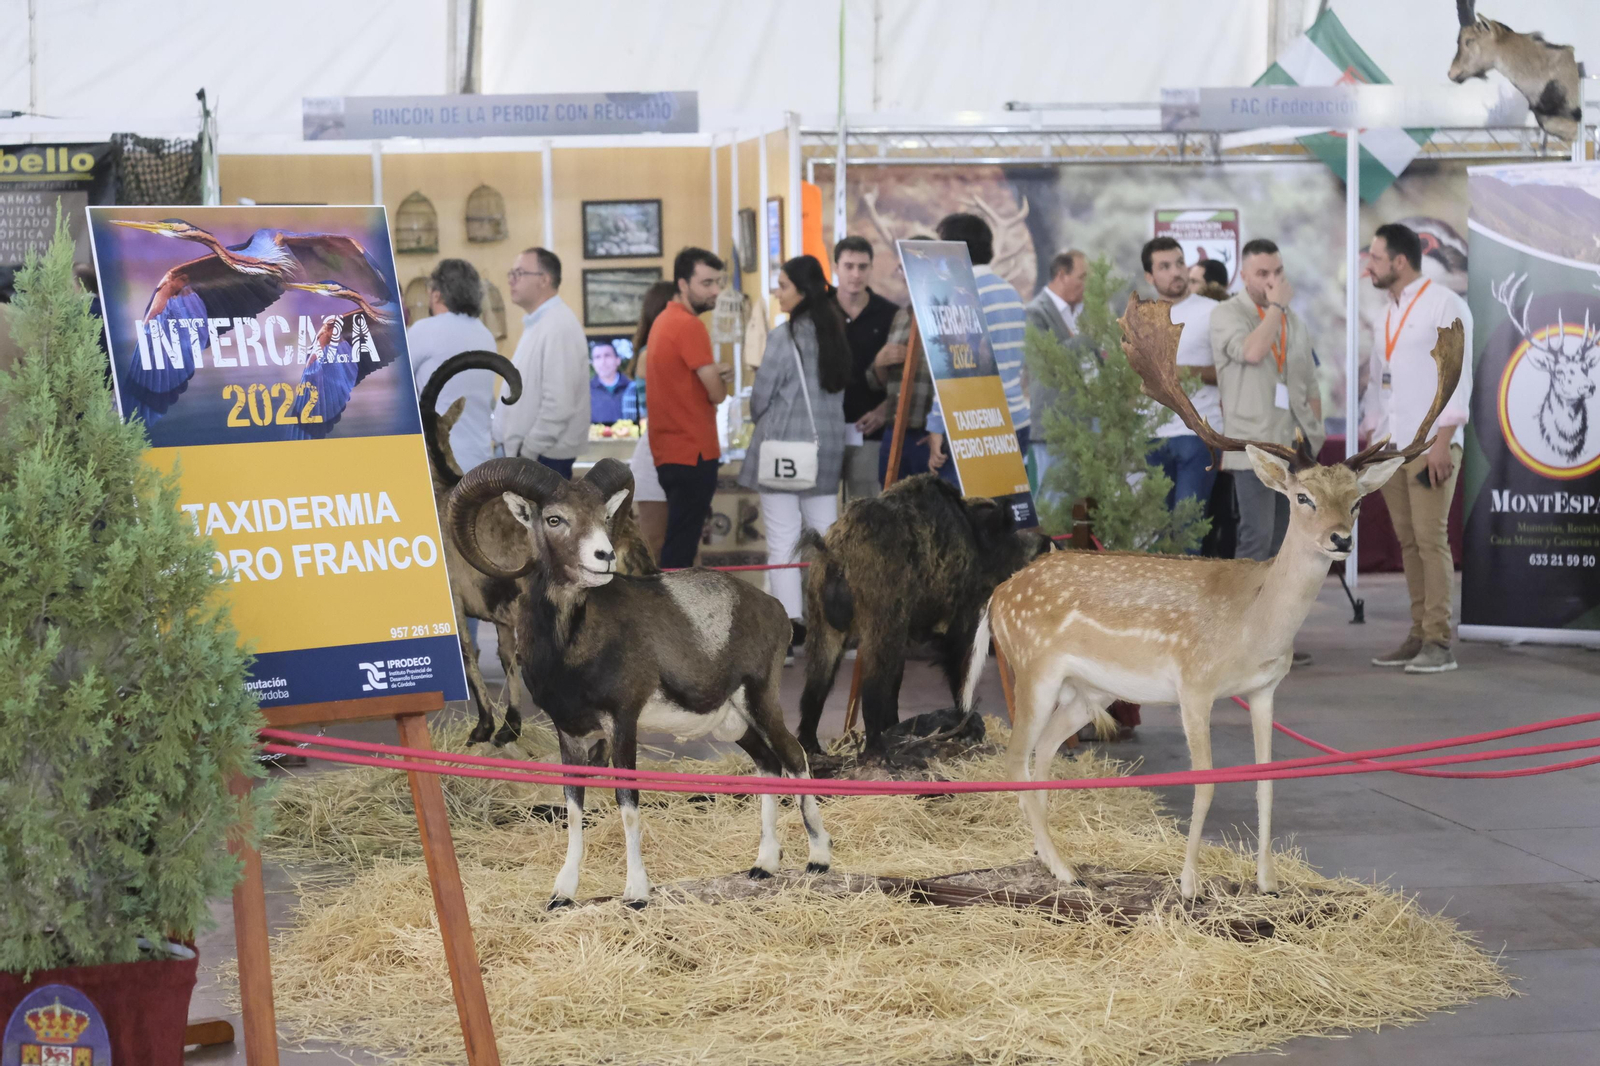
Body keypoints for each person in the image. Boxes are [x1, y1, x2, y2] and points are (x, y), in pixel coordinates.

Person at [1363, 222, 1474, 675]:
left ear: (1400, 262)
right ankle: (1417, 633)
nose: (1368, 265)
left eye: (1375, 258)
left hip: (1431, 444)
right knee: (1408, 542)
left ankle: (1439, 642)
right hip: (1392, 446)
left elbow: (1457, 376)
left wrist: (1444, 441)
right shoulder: (1386, 311)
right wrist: (1373, 438)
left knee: (1431, 542)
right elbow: (1377, 381)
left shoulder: (1445, 304)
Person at [738, 255, 849, 654]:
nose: (776, 292)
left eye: (782, 285)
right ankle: (837, 624)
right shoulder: (835, 330)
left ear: (801, 291)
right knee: (828, 540)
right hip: (826, 448)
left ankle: (789, 630)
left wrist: (757, 412)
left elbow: (762, 396)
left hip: (784, 449)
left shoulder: (785, 337)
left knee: (784, 540)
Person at [1211, 238, 1324, 564]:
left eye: (1278, 271)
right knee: (1256, 538)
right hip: (1255, 449)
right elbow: (1253, 351)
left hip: (1295, 448)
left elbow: (1309, 383)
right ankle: (1244, 614)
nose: (1272, 280)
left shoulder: (1294, 321)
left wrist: (1314, 434)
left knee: (1285, 542)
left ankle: (1275, 613)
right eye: (1262, 273)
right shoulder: (1226, 314)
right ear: (1244, 275)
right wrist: (1276, 308)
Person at [925, 213, 1031, 486]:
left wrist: (936, 426)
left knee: (966, 520)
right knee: (1006, 517)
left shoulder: (959, 296)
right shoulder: (1010, 292)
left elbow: (951, 369)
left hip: (975, 426)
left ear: (954, 249)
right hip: (1016, 418)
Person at [648, 247, 731, 569]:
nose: (715, 291)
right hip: (692, 451)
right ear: (683, 284)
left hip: (670, 450)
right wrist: (720, 380)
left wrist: (713, 374)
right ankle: (673, 616)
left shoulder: (664, 320)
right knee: (681, 548)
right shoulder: (689, 325)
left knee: (679, 540)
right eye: (707, 283)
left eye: (717, 282)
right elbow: (717, 394)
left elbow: (681, 381)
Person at [1142, 237, 1221, 542]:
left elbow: (1229, 372)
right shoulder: (1142, 315)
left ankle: (1191, 591)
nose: (1176, 272)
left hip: (1197, 433)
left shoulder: (1214, 312)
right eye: (1165, 266)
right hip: (1152, 436)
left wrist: (1183, 372)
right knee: (1156, 534)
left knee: (1188, 532)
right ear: (1150, 277)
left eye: (1179, 263)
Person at [492, 247, 589, 478]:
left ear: (544, 279)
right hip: (532, 455)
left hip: (544, 457)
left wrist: (529, 451)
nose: (511, 281)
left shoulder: (559, 326)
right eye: (511, 274)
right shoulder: (539, 323)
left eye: (519, 273)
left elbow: (559, 403)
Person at [408, 259, 499, 474]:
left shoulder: (424, 330)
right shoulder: (485, 336)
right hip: (479, 459)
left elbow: (396, 384)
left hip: (439, 462)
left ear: (437, 294)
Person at [832, 236, 900, 503]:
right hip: (825, 427)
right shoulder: (820, 312)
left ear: (872, 268)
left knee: (866, 508)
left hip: (869, 428)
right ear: (836, 266)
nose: (855, 274)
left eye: (862, 266)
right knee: (821, 511)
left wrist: (885, 410)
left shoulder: (889, 314)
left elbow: (902, 373)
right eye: (848, 266)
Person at [867, 235, 938, 484]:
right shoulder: (900, 317)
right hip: (895, 431)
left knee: (931, 511)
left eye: (911, 267)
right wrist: (879, 362)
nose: (905, 275)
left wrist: (940, 432)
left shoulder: (948, 316)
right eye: (902, 268)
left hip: (930, 435)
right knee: (891, 508)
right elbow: (878, 382)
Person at [1024, 249, 1088, 494]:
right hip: (1055, 424)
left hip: (1087, 422)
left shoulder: (1084, 310)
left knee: (1082, 505)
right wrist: (1086, 339)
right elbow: (1047, 361)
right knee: (1054, 501)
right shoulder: (1035, 313)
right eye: (1082, 277)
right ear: (1062, 275)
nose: (1086, 284)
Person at [624, 281, 676, 561]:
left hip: (670, 450)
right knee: (653, 544)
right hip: (654, 452)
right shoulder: (649, 354)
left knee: (682, 543)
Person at [588, 341, 631, 424]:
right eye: (597, 357)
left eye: (607, 356)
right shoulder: (585, 391)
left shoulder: (632, 387)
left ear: (618, 360)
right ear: (593, 363)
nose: (603, 362)